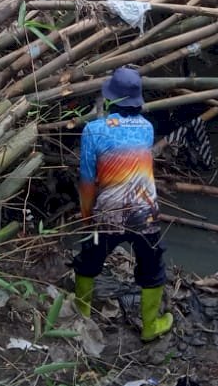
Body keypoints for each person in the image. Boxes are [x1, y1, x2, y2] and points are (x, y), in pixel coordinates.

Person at [72, 65, 174, 342]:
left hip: (109, 215)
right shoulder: (147, 128)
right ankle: (150, 326)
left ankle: (82, 317)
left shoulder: (93, 130)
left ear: (110, 99)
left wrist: (85, 217)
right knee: (152, 269)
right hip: (145, 214)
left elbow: (87, 180)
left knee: (87, 262)